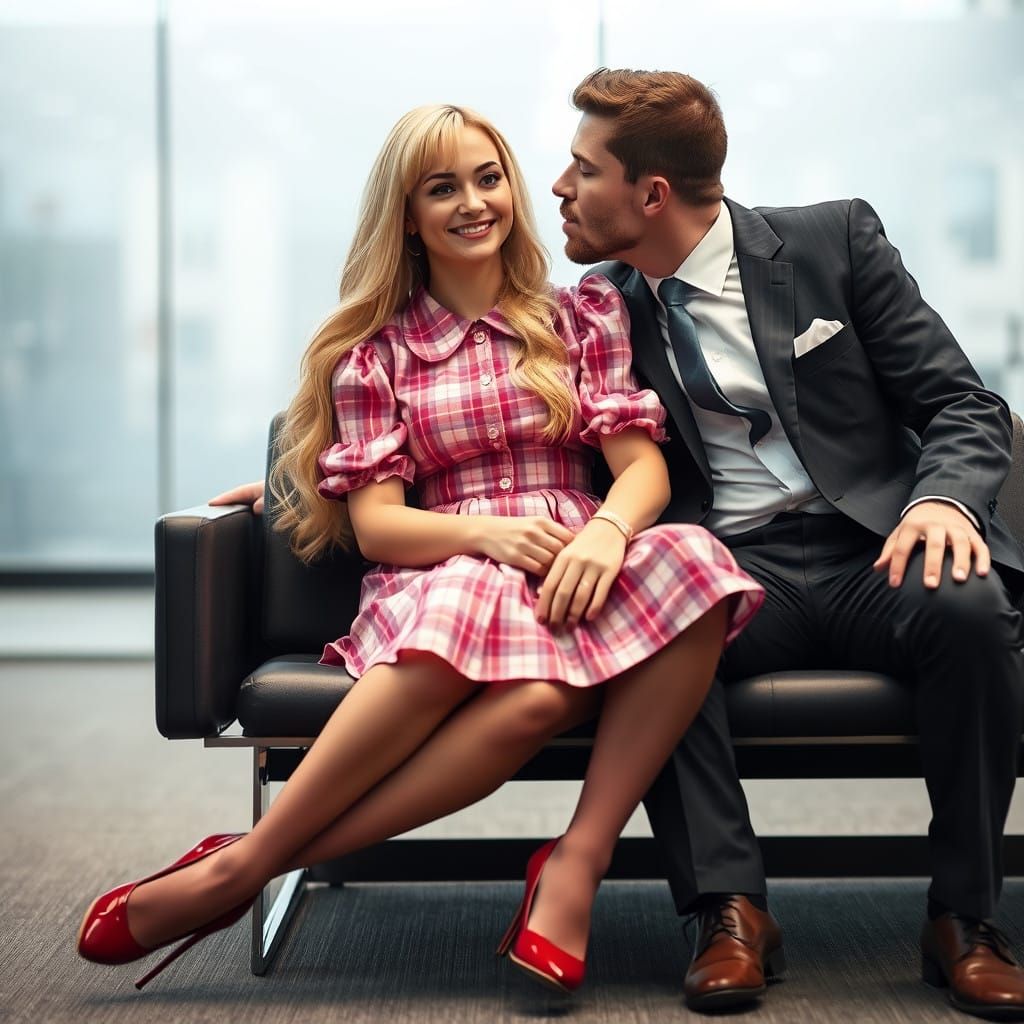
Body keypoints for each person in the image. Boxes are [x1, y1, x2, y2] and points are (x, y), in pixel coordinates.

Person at [209, 70, 1024, 1016]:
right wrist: (288, 486)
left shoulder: (832, 240)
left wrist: (946, 505)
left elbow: (964, 402)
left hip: (873, 545)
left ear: (651, 194)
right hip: (733, 557)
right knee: (659, 630)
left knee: (969, 609)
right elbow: (498, 416)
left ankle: (966, 918)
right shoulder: (601, 303)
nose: (554, 186)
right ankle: (725, 912)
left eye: (581, 169)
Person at [77, 103, 763, 994]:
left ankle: (571, 861)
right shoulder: (376, 352)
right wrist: (487, 532)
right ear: (408, 214)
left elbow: (641, 471)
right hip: (451, 558)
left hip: (572, 560)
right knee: (487, 650)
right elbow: (379, 527)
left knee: (696, 565)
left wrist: (603, 529)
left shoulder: (582, 315)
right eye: (443, 188)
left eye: (488, 180)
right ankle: (247, 868)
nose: (474, 203)